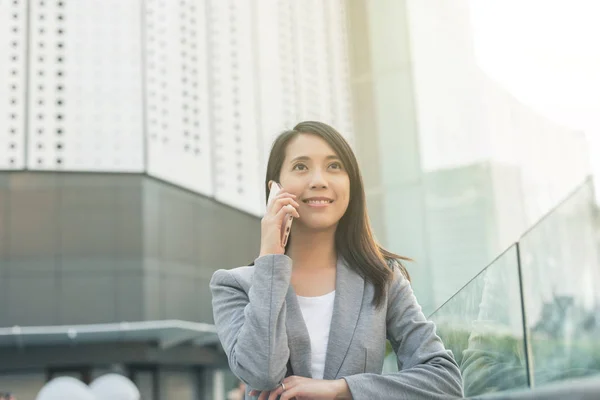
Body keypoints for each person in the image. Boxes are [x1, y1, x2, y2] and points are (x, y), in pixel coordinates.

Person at [210, 121, 464, 399]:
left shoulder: (383, 278)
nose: (319, 180)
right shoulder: (233, 285)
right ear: (275, 188)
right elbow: (261, 373)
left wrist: (342, 389)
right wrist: (270, 256)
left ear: (351, 184)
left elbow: (445, 379)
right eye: (300, 166)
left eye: (334, 166)